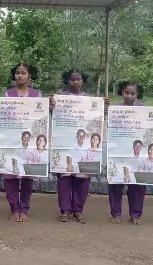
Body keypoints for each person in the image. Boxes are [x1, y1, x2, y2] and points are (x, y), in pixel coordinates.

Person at [0, 62, 52, 223]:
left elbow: (42, 119)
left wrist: (50, 108)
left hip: (29, 143)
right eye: (17, 73)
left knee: (27, 179)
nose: (20, 76)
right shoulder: (7, 95)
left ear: (29, 76)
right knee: (10, 177)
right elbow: (2, 118)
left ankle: (24, 209)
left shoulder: (37, 96)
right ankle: (14, 208)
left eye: (24, 73)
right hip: (12, 142)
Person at [56, 70, 94, 224]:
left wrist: (103, 108)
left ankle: (78, 210)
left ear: (83, 80)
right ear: (68, 81)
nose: (75, 82)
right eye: (72, 79)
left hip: (84, 145)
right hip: (65, 144)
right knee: (65, 179)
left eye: (78, 79)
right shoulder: (60, 98)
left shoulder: (91, 100)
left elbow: (96, 120)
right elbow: (52, 116)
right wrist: (51, 106)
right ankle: (65, 210)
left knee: (82, 179)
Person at [107, 81, 147, 225]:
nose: (129, 96)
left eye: (133, 93)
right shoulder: (114, 108)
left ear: (137, 94)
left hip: (137, 152)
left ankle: (135, 214)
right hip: (118, 151)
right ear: (122, 92)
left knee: (137, 185)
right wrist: (105, 110)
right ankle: (116, 213)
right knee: (116, 183)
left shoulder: (143, 109)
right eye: (126, 92)